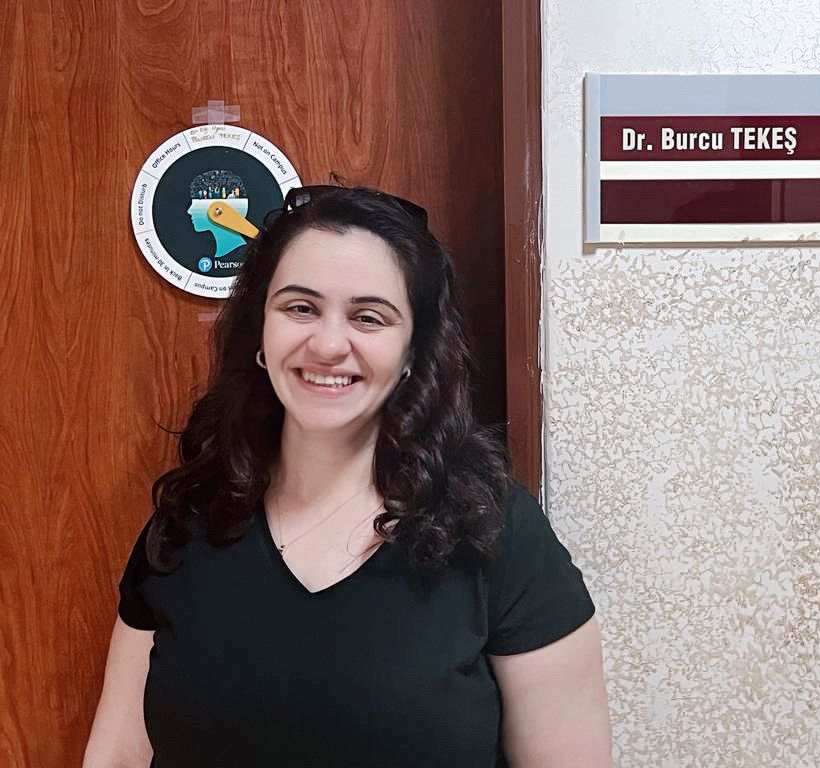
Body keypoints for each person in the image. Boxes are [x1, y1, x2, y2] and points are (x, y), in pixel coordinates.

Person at [83, 184, 613, 767]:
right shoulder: (189, 520)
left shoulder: (493, 530)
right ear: (261, 328)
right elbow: (118, 755)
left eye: (369, 317)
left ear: (414, 350)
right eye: (300, 307)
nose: (329, 344)